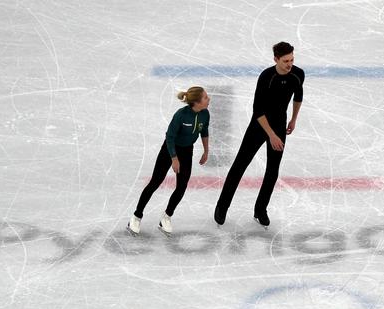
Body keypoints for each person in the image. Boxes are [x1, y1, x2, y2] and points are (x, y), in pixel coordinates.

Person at [214, 41, 304, 227]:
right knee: (240, 165)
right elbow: (258, 111)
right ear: (276, 59)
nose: (290, 64)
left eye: (292, 59)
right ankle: (222, 207)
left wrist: (293, 120)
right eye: (286, 60)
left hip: (279, 125)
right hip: (259, 125)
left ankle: (260, 209)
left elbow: (298, 97)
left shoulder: (298, 74)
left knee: (272, 170)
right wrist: (271, 135)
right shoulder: (266, 77)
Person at [127, 86, 211, 236]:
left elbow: (204, 131)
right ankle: (136, 216)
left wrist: (206, 150)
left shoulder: (205, 114)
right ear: (196, 102)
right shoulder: (181, 115)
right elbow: (170, 137)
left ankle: (166, 216)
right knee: (155, 182)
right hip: (169, 149)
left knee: (182, 185)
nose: (208, 99)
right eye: (205, 97)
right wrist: (174, 158)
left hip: (186, 151)